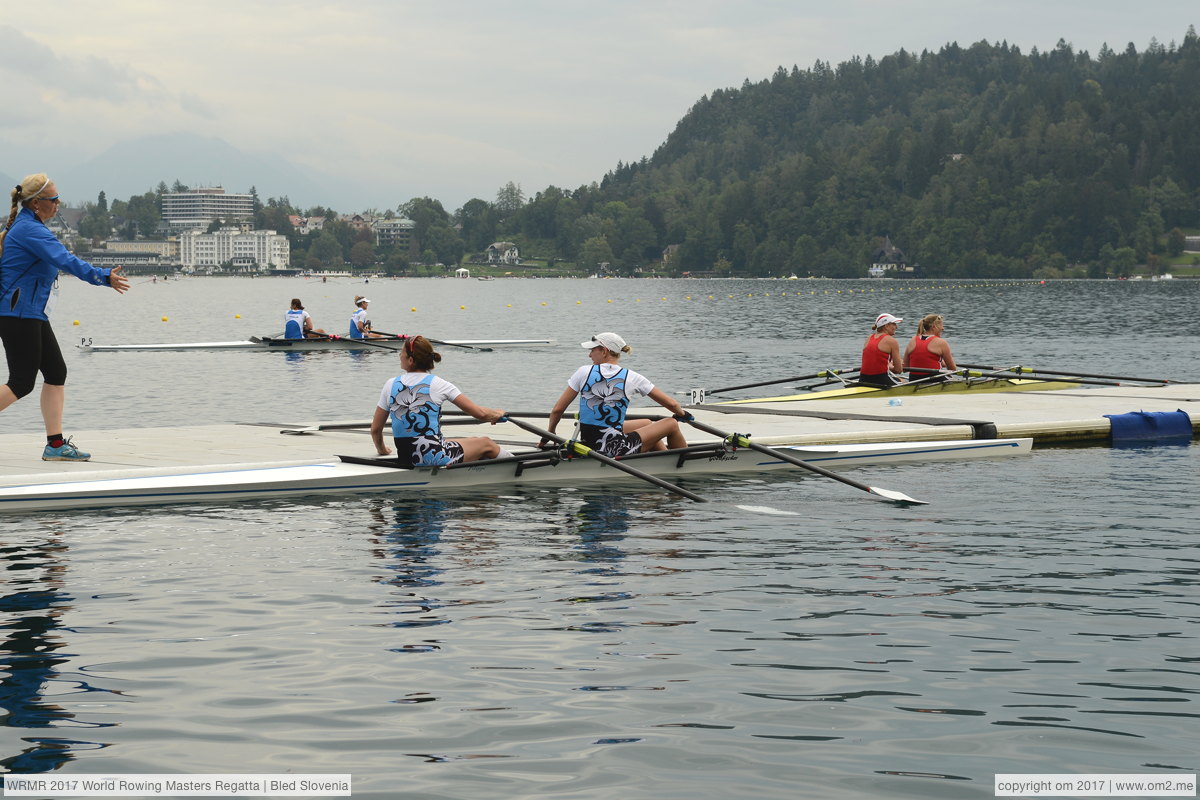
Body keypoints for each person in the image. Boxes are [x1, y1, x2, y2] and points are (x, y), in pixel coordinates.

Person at [0, 174, 131, 461]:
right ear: (36, 203)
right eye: (53, 199)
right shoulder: (30, 231)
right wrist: (103, 277)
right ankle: (55, 446)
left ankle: (56, 446)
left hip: (30, 312)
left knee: (56, 373)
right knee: (21, 383)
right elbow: (66, 260)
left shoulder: (29, 226)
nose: (59, 204)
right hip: (17, 313)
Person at [543, 332, 689, 457]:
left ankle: (661, 459)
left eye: (592, 350)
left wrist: (550, 434)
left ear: (604, 351)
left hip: (589, 443)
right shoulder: (633, 377)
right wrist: (683, 414)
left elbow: (557, 410)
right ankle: (677, 462)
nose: (589, 355)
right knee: (671, 423)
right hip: (615, 449)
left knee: (646, 423)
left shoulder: (583, 372)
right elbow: (672, 404)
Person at [370, 335, 507, 466]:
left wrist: (382, 450)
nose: (399, 356)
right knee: (486, 443)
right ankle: (518, 467)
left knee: (470, 441)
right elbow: (480, 414)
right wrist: (497, 414)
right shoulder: (439, 384)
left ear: (411, 360)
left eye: (401, 352)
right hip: (434, 456)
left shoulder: (390, 384)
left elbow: (376, 430)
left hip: (406, 456)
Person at [903, 313, 957, 381]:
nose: (943, 328)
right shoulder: (941, 342)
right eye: (941, 325)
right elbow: (952, 369)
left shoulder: (912, 340)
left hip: (913, 379)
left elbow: (905, 368)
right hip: (935, 380)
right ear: (934, 326)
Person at [859, 313, 905, 387]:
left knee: (897, 379)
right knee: (904, 381)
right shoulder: (891, 341)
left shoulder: (869, 338)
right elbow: (898, 370)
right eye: (894, 324)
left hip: (863, 379)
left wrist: (888, 365)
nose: (896, 327)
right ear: (886, 326)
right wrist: (894, 366)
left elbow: (874, 360)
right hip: (880, 380)